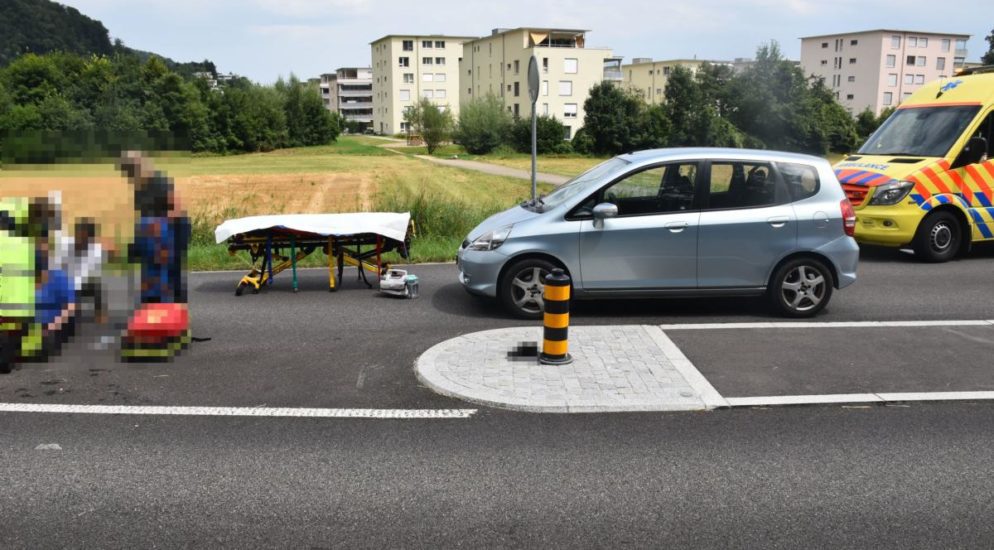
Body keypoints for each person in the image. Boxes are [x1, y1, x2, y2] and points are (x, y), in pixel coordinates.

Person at [67, 218, 106, 324]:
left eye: (83, 235)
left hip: (82, 283)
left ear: (90, 238)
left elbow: (88, 273)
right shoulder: (67, 245)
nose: (79, 237)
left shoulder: (96, 251)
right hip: (67, 281)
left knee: (96, 285)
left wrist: (75, 286)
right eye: (78, 233)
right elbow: (59, 265)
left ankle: (99, 312)